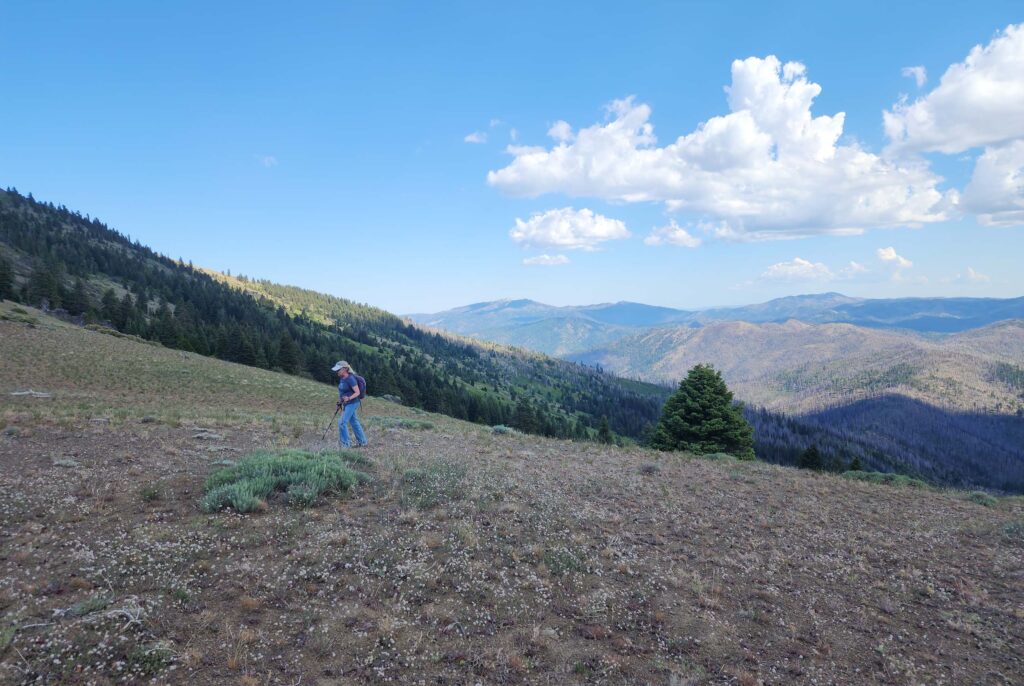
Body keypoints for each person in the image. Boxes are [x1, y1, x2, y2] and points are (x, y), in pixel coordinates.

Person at [332, 360, 368, 448]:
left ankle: (345, 445)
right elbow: (343, 392)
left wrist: (348, 398)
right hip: (346, 403)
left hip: (353, 403)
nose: (337, 371)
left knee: (342, 423)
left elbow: (357, 392)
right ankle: (363, 442)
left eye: (338, 370)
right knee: (354, 422)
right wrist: (340, 401)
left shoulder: (350, 379)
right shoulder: (342, 378)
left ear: (344, 369)